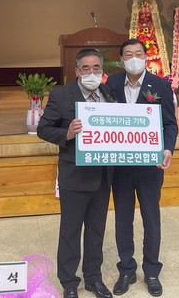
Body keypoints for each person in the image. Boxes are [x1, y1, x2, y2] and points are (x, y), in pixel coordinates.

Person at [37, 48, 115, 298]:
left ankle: (93, 278)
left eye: (96, 68)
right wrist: (67, 134)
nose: (91, 72)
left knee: (96, 230)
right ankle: (69, 282)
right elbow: (43, 129)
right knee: (70, 231)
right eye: (86, 68)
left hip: (103, 175)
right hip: (75, 174)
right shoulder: (61, 95)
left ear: (102, 70)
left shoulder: (109, 94)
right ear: (77, 71)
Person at [105, 39, 178, 297]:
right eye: (128, 54)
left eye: (138, 53)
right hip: (121, 165)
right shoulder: (111, 84)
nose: (134, 58)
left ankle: (151, 270)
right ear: (121, 59)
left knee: (151, 217)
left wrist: (167, 148)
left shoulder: (160, 86)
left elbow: (170, 123)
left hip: (150, 164)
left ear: (146, 57)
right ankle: (126, 269)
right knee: (123, 218)